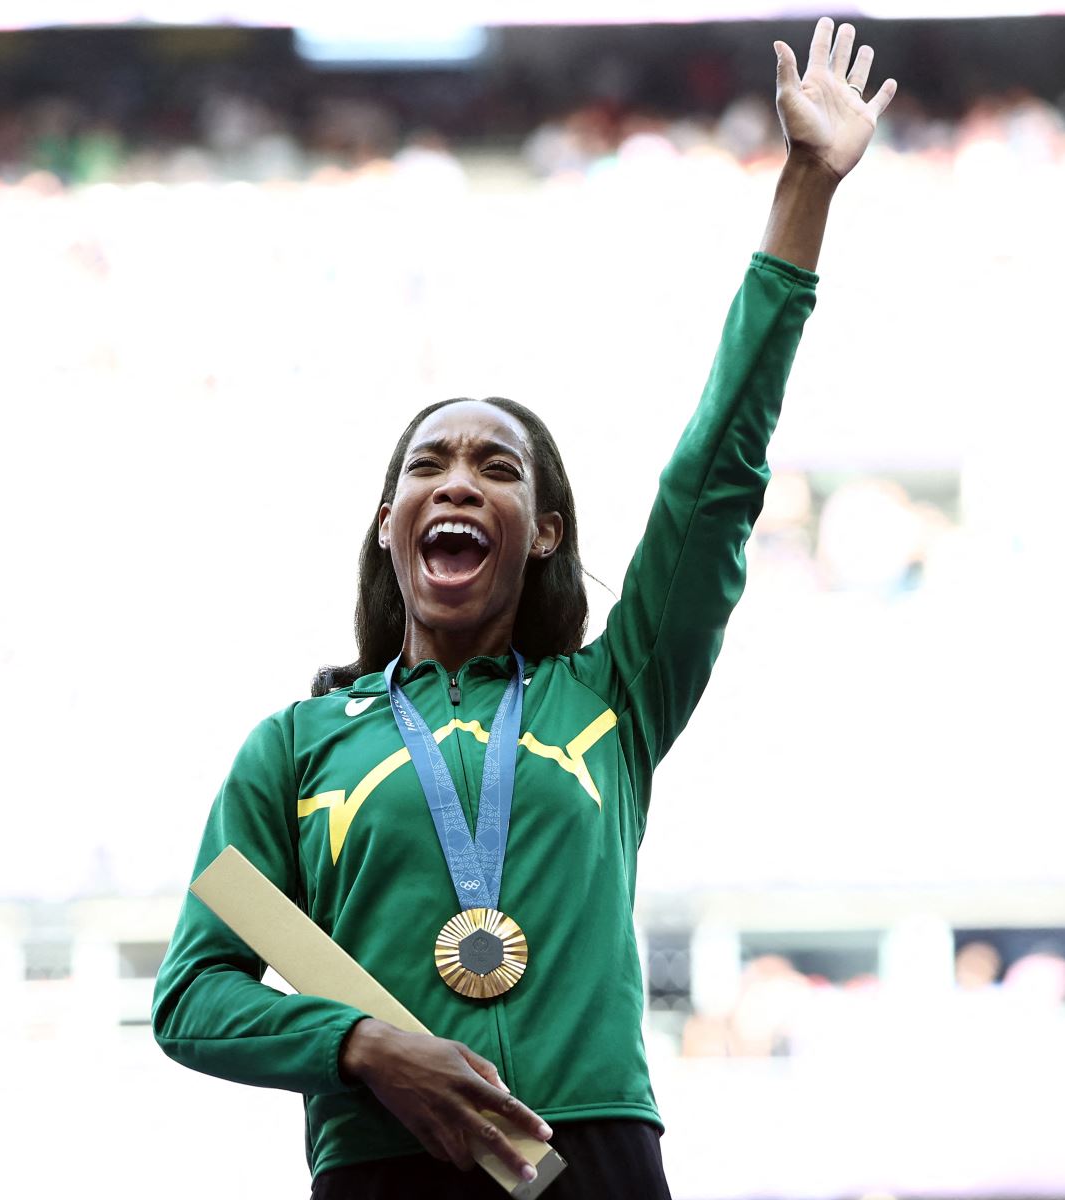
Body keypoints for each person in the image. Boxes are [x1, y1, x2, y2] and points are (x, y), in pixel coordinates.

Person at [153, 19, 896, 1198]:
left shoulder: (614, 695)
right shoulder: (292, 752)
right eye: (427, 466)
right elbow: (191, 995)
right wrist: (360, 1045)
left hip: (591, 1154)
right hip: (382, 1159)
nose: (457, 481)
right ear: (389, 522)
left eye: (497, 469)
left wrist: (805, 190)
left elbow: (717, 478)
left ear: (544, 530)